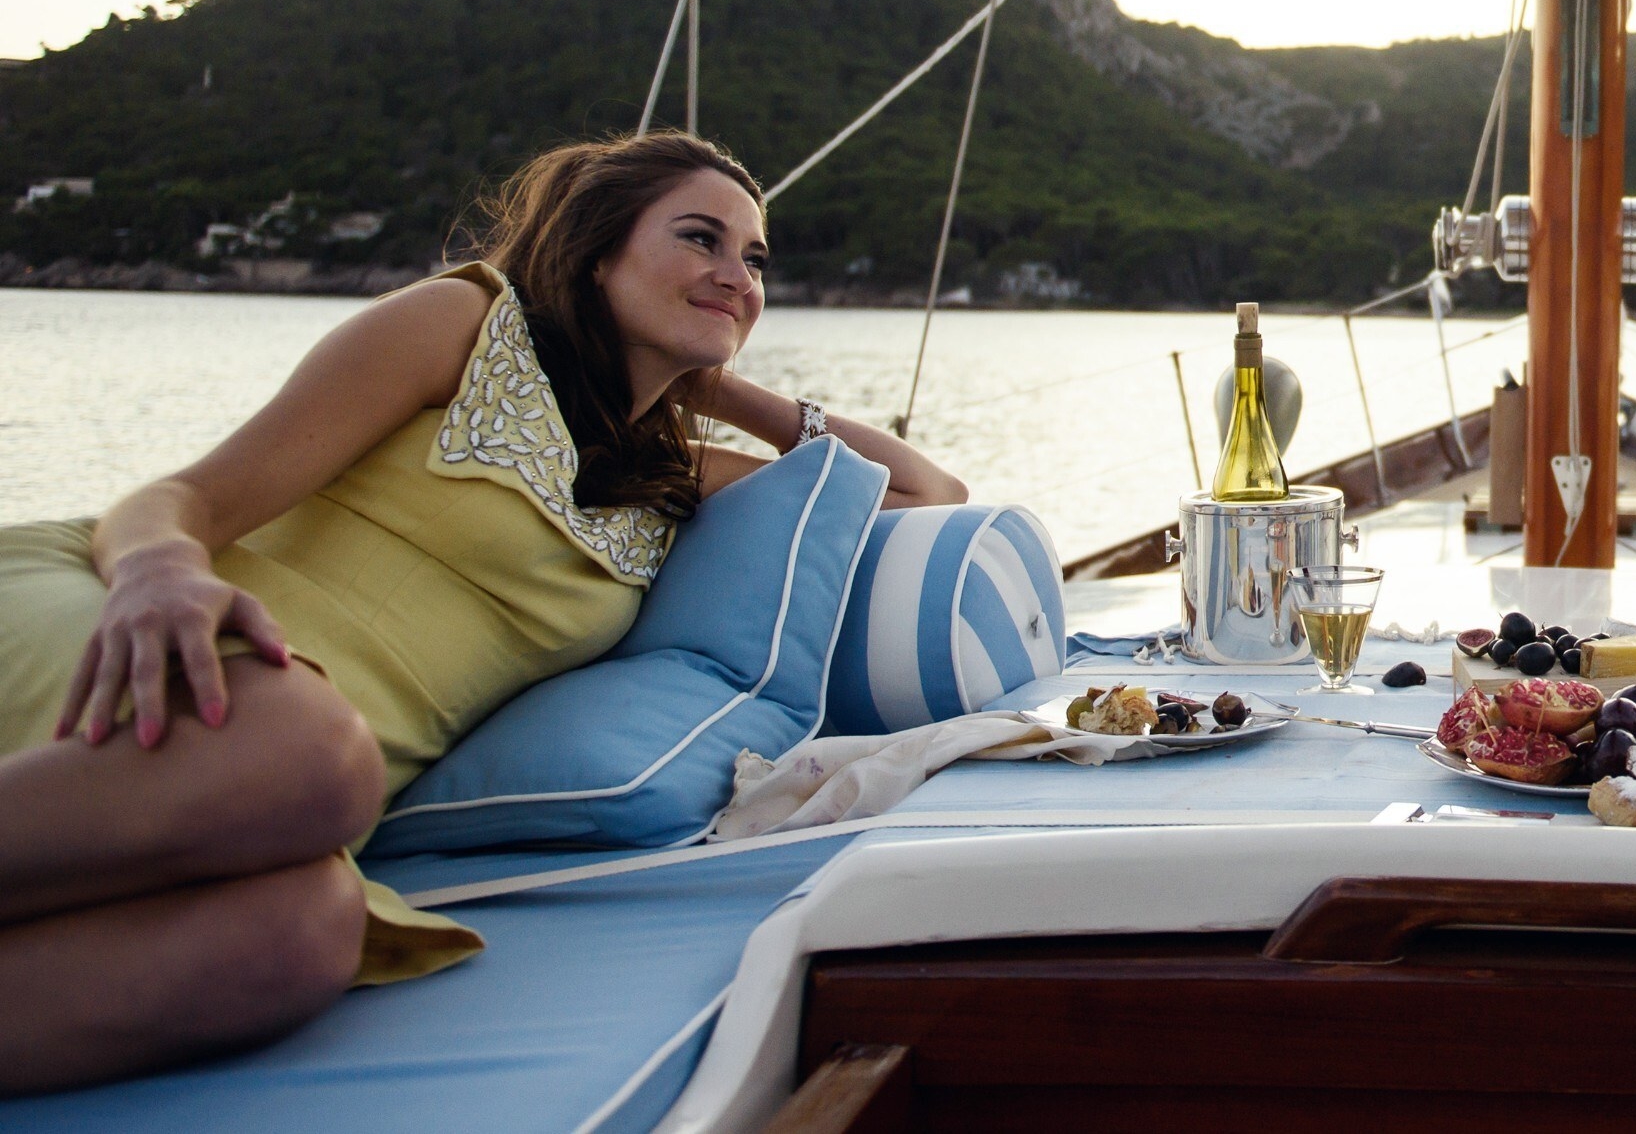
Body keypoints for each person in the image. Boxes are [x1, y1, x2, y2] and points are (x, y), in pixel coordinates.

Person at [0, 131, 969, 1095]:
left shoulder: (667, 481)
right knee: (307, 751)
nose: (736, 275)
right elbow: (187, 500)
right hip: (149, 616)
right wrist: (161, 573)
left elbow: (923, 493)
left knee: (303, 939)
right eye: (699, 240)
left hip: (304, 783)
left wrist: (717, 380)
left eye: (753, 260)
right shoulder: (463, 325)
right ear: (596, 256)